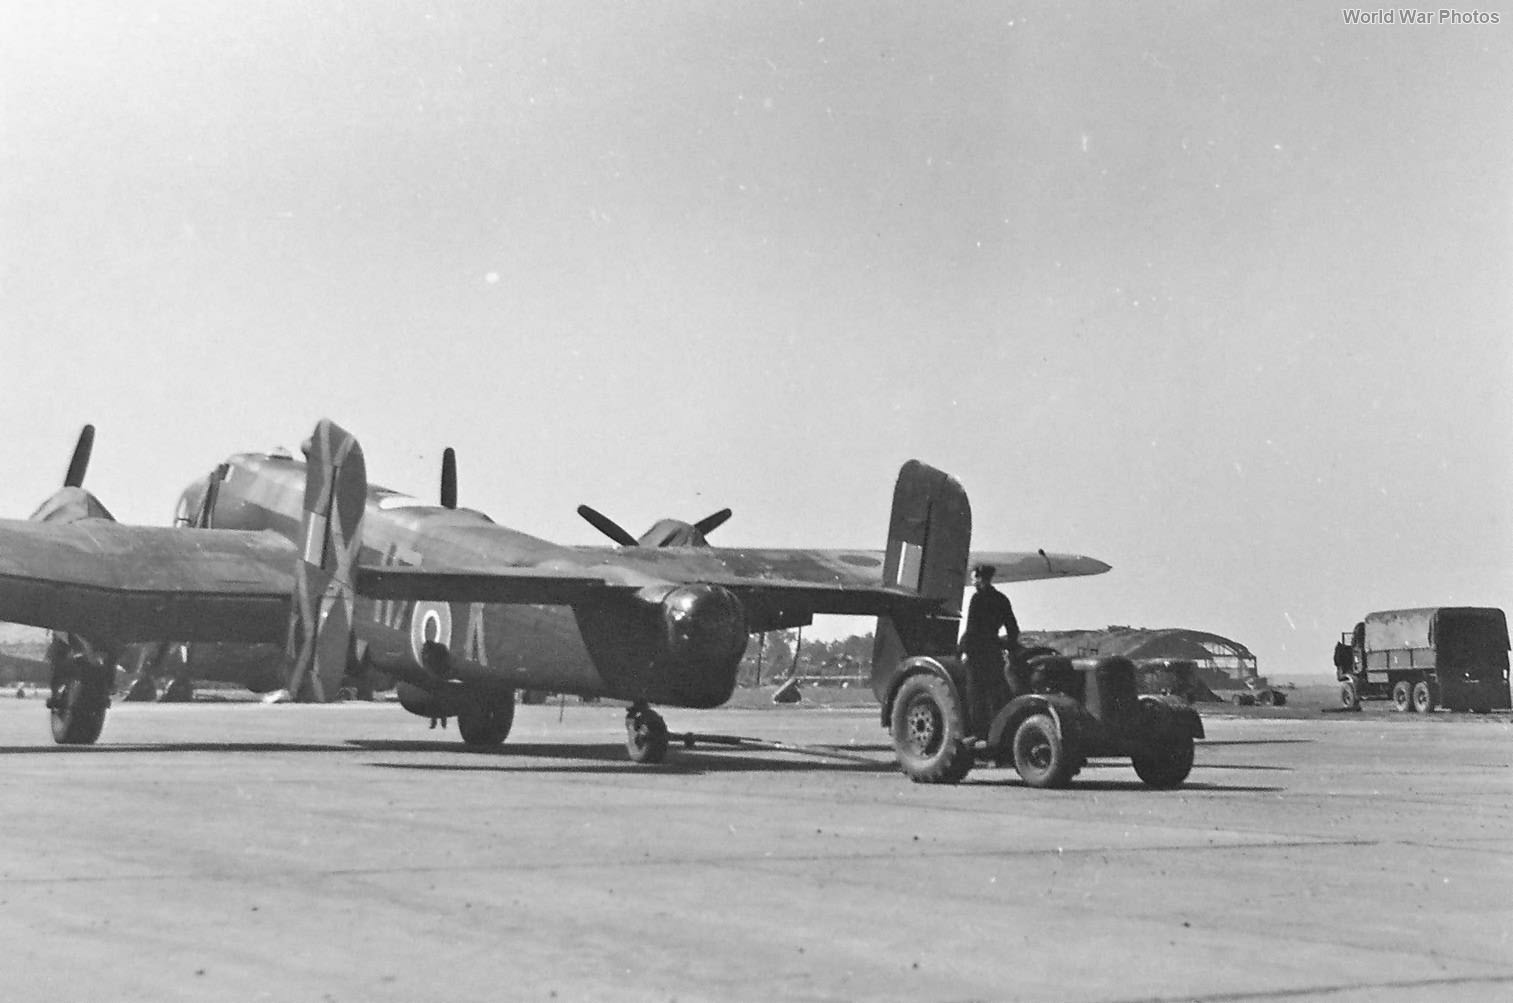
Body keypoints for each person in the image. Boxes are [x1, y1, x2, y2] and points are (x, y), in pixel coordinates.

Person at [958, 563, 1021, 724]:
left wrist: (961, 648)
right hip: (993, 653)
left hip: (976, 653)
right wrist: (1005, 646)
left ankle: (979, 733)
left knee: (975, 694)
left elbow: (971, 628)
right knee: (995, 694)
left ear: (980, 578)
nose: (972, 582)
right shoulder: (1002, 599)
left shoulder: (977, 599)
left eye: (973, 579)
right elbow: (1013, 629)